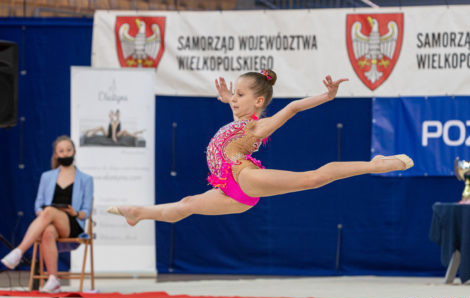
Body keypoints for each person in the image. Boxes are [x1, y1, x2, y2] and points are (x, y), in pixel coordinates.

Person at [107, 70, 413, 225]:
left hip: (243, 178)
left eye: (241, 94)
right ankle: (138, 213)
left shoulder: (257, 125)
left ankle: (375, 164)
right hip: (231, 191)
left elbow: (292, 107)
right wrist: (229, 97)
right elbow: (234, 115)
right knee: (187, 204)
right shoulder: (240, 119)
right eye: (235, 94)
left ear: (258, 102)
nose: (234, 98)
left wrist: (326, 96)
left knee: (312, 178)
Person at [1, 135, 93, 293]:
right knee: (48, 231)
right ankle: (53, 280)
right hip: (50, 222)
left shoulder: (86, 179)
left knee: (49, 211)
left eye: (68, 150)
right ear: (56, 154)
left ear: (74, 152)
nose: (65, 154)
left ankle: (19, 251)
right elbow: (38, 205)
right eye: (61, 151)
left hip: (73, 224)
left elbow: (86, 211)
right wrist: (43, 214)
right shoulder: (47, 177)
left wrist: (75, 212)